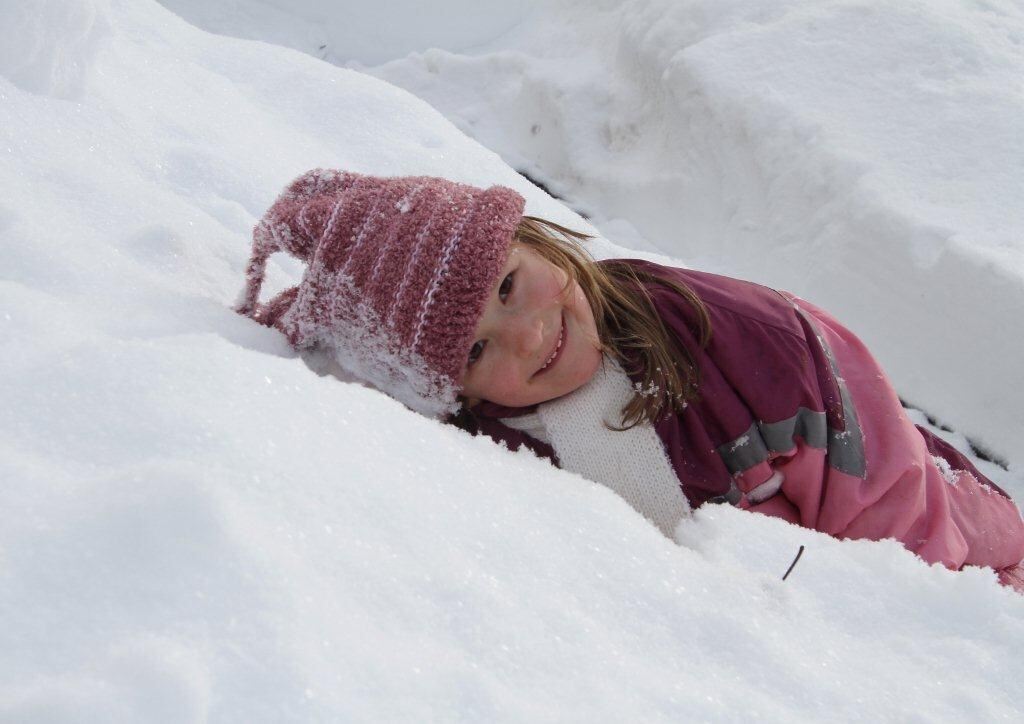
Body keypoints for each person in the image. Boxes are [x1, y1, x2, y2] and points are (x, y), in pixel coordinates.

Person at [237, 168, 1024, 591]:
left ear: (536, 238)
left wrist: (914, 614)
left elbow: (887, 489)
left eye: (509, 286)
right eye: (476, 351)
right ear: (457, 395)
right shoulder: (491, 436)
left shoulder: (746, 339)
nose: (529, 334)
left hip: (913, 500)